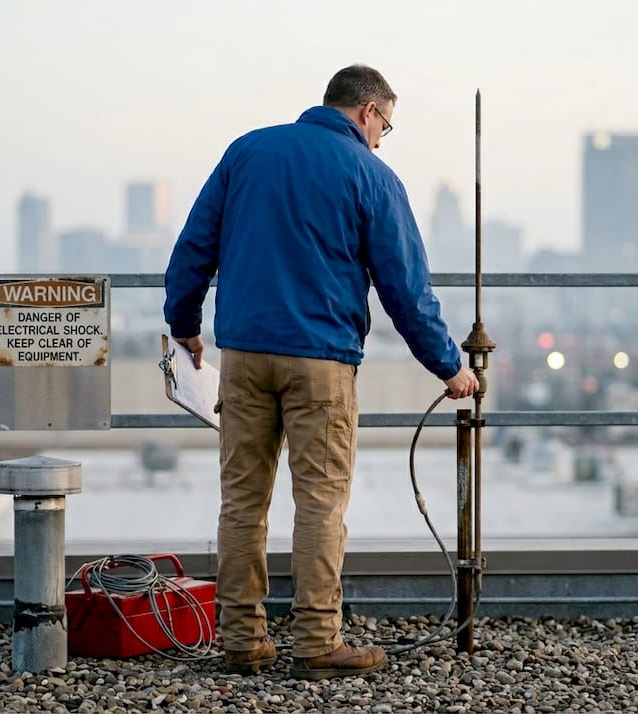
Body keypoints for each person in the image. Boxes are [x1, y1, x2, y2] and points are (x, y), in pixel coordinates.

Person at [163, 64, 479, 681]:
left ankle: (241, 640)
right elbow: (405, 289)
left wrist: (185, 323)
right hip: (322, 363)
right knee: (320, 504)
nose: (383, 137)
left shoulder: (247, 151)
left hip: (245, 356)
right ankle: (314, 640)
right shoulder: (372, 174)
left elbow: (193, 245)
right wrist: (449, 367)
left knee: (242, 502)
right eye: (385, 125)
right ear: (367, 112)